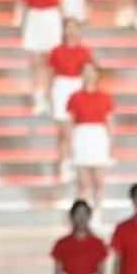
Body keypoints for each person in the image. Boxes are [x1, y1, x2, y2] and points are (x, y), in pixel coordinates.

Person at [18, 0, 65, 113]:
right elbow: (24, 7)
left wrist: (62, 26)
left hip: (51, 19)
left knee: (51, 63)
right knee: (35, 62)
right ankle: (37, 98)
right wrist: (23, 28)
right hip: (34, 19)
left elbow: (60, 5)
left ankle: (50, 97)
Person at [48, 19, 93, 180]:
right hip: (61, 87)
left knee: (76, 130)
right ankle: (64, 164)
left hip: (77, 86)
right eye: (68, 28)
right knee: (63, 131)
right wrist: (49, 95)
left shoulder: (84, 51)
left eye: (74, 28)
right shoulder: (56, 51)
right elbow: (51, 74)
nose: (71, 31)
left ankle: (77, 161)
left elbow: (89, 73)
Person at [66, 62, 114, 209]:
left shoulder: (105, 97)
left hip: (98, 136)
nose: (89, 75)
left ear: (97, 74)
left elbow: (110, 122)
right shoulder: (74, 97)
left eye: (92, 71)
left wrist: (110, 145)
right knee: (83, 183)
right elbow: (70, 123)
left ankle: (97, 213)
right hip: (81, 136)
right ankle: (82, 212)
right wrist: (70, 145)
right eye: (85, 71)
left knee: (99, 181)